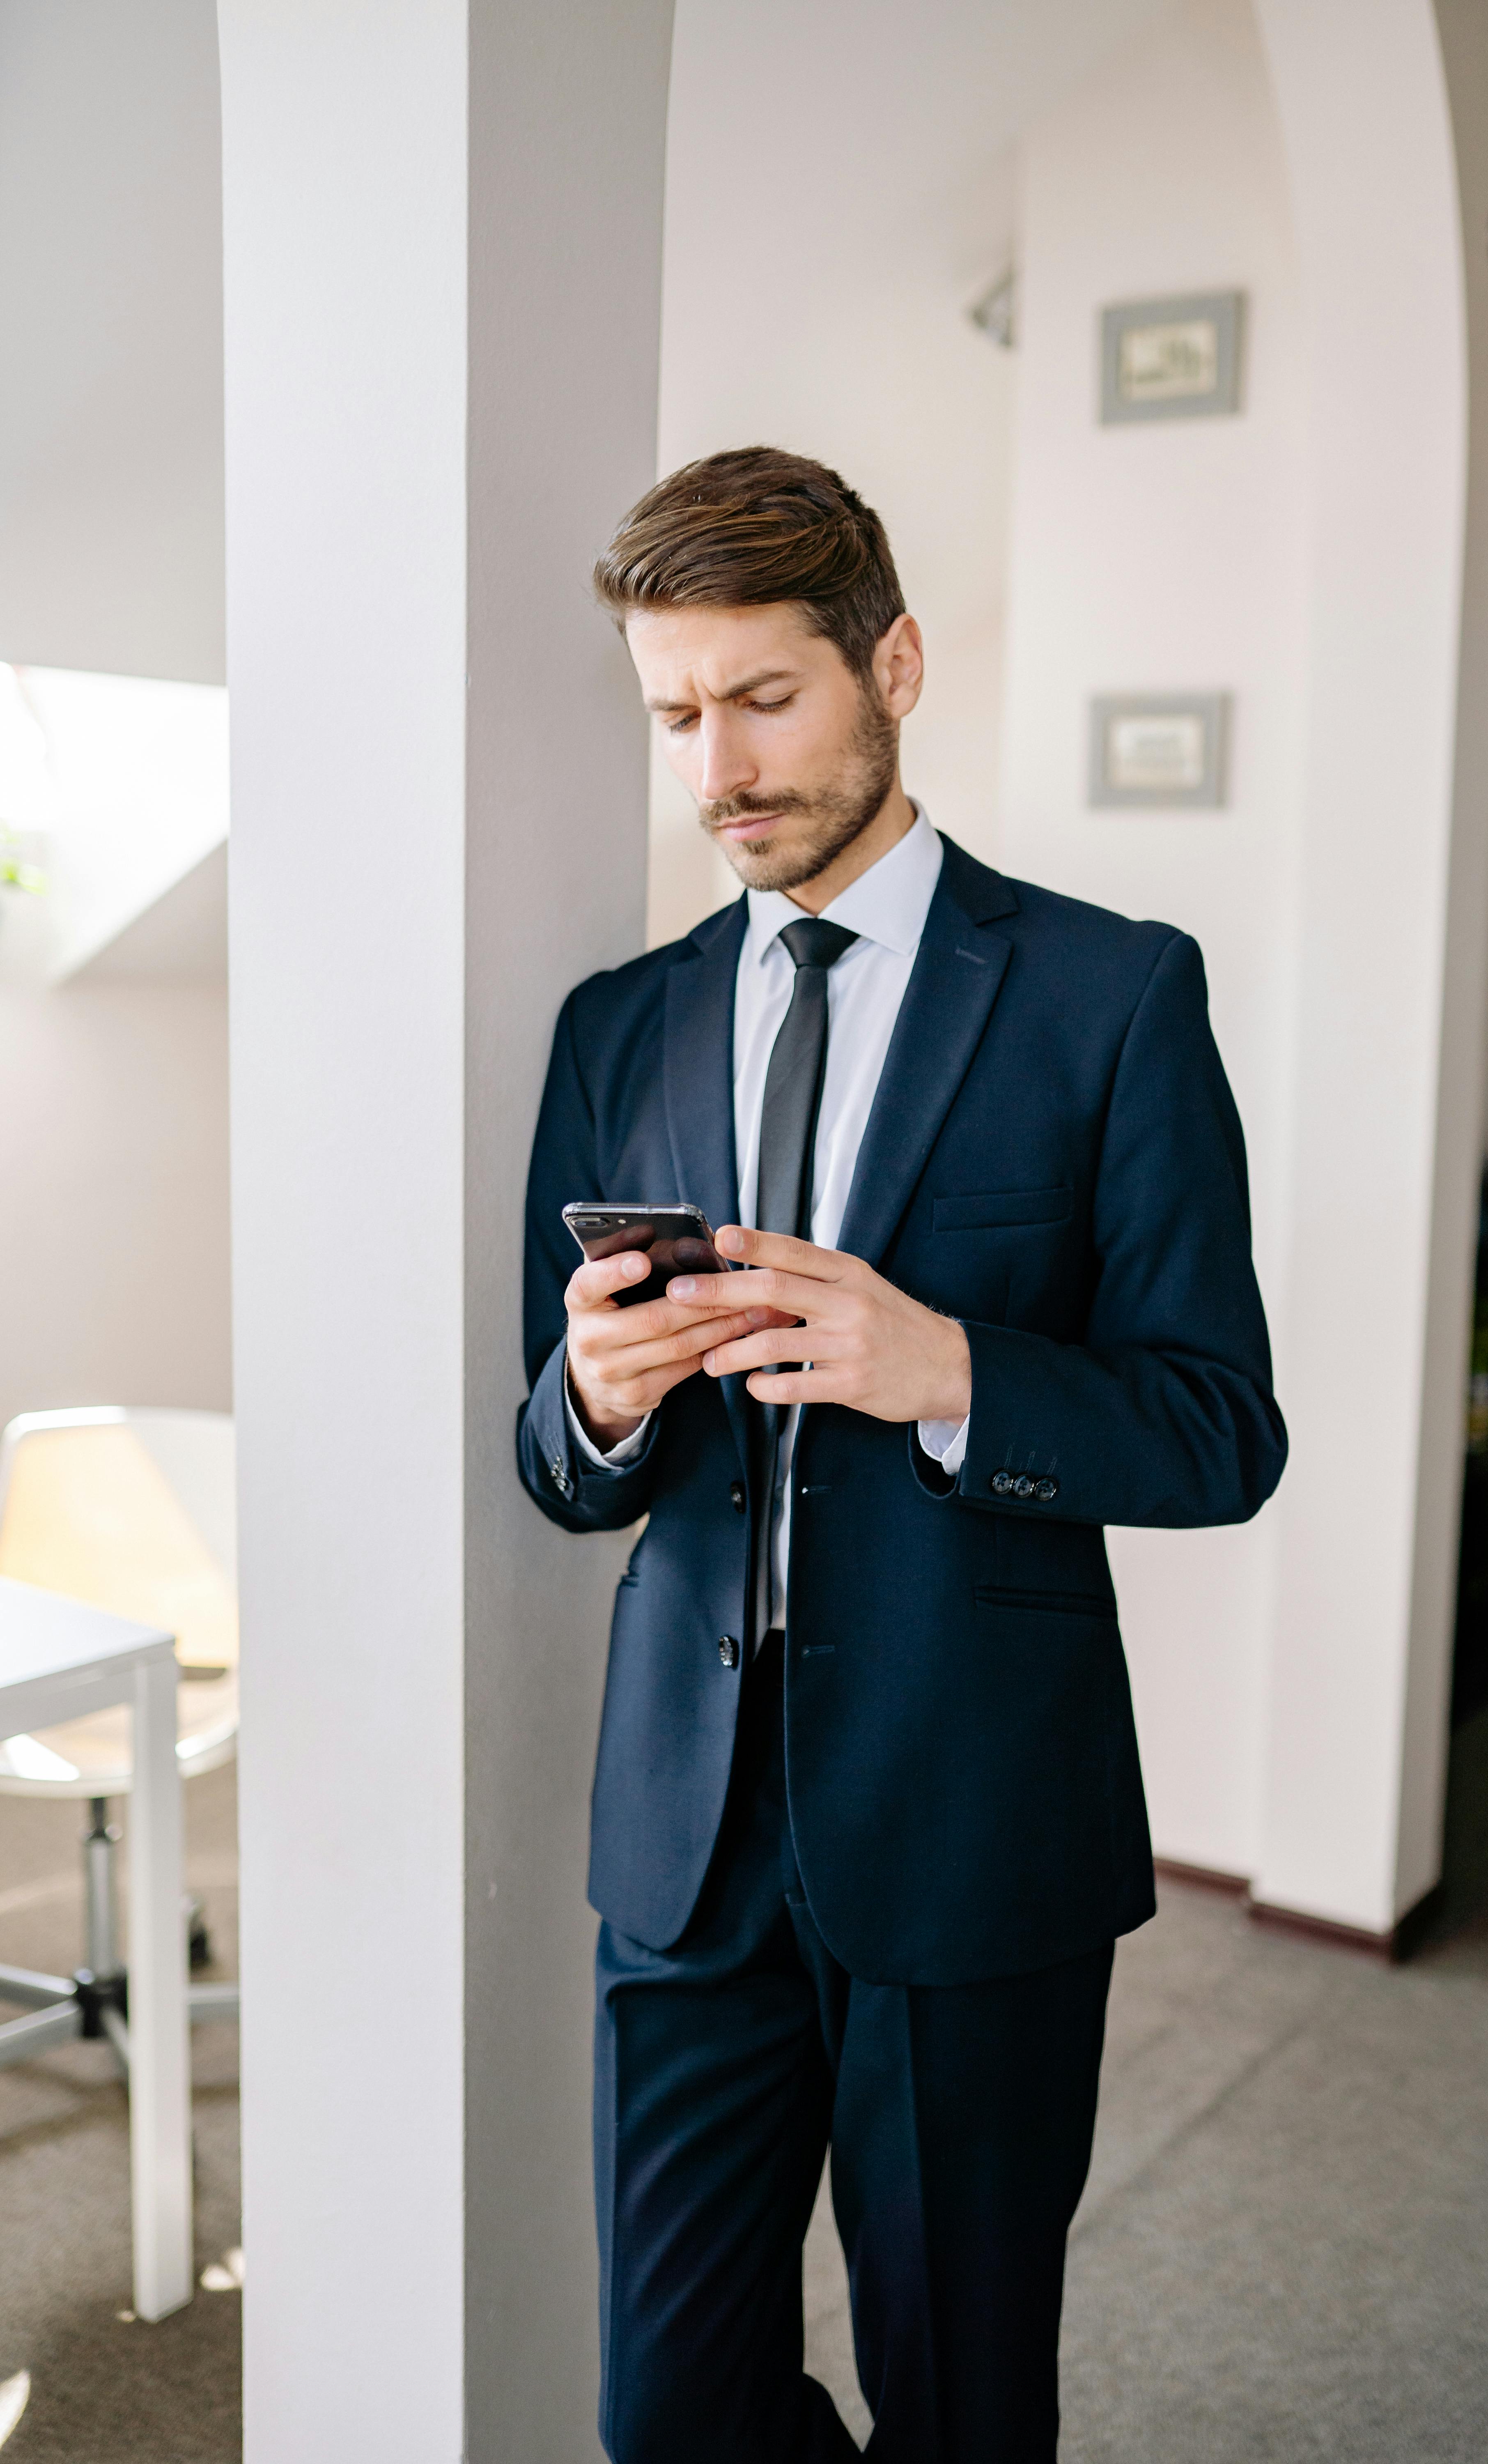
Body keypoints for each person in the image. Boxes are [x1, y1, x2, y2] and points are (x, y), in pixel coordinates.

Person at [517, 445, 1286, 2462]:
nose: (718, 766)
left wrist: (948, 1367)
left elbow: (1220, 1430)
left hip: (970, 1824)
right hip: (683, 1843)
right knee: (664, 2413)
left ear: (896, 667)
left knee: (958, 2402)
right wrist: (596, 1396)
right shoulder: (620, 1026)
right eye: (676, 714)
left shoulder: (1112, 995)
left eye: (763, 697)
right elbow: (556, 1452)